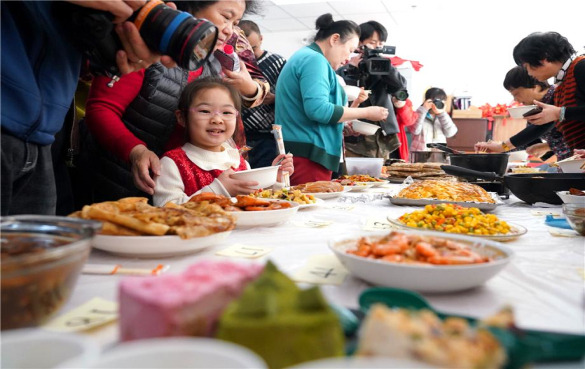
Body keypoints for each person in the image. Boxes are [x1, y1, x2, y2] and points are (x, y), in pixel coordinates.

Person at [1, 0, 176, 216]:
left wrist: (109, 45)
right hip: (11, 118)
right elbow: (102, 107)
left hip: (43, 137)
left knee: (43, 250)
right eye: (225, 16)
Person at [83, 0, 268, 203]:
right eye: (225, 17)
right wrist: (135, 151)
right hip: (120, 181)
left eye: (235, 23)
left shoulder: (215, 62)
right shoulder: (141, 42)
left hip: (182, 191)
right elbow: (102, 108)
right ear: (191, 6)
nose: (229, 31)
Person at [274, 13, 388, 185]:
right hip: (309, 154)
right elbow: (318, 110)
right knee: (311, 208)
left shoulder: (309, 58)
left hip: (307, 151)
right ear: (335, 39)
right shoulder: (314, 60)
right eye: (349, 50)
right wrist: (367, 112)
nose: (348, 58)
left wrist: (343, 126)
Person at [153, 78, 293, 206]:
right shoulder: (172, 163)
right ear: (182, 118)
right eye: (205, 111)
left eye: (226, 113)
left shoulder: (239, 161)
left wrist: (276, 180)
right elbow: (165, 210)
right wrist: (219, 189)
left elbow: (257, 200)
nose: (217, 120)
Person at [338, 20, 417, 161]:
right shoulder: (345, 67)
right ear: (359, 43)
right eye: (373, 42)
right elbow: (345, 95)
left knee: (382, 174)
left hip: (383, 132)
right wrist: (353, 69)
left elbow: (400, 87)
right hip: (357, 132)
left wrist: (386, 68)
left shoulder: (385, 67)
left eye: (381, 44)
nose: (377, 47)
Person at [474, 66, 572, 161]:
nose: (515, 99)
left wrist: (547, 146)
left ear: (536, 87)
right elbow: (529, 140)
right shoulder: (536, 107)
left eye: (516, 94)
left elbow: (577, 136)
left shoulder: (558, 97)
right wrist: (496, 147)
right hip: (567, 163)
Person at [512, 31, 585, 151]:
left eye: (527, 67)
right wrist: (502, 146)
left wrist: (560, 113)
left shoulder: (581, 67)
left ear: (543, 58)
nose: (529, 73)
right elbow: (542, 125)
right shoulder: (562, 82)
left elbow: (559, 113)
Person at [238, 20, 287, 168]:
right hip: (243, 133)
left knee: (268, 174)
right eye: (244, 48)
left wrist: (275, 98)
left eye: (253, 47)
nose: (250, 53)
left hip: (269, 133)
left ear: (261, 39)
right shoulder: (237, 65)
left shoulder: (277, 61)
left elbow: (292, 94)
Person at [408, 87, 457, 153]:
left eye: (441, 101)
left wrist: (441, 113)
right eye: (435, 101)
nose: (437, 104)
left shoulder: (443, 117)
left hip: (439, 155)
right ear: (427, 101)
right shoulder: (419, 113)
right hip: (420, 155)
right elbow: (415, 131)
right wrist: (423, 109)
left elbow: (451, 133)